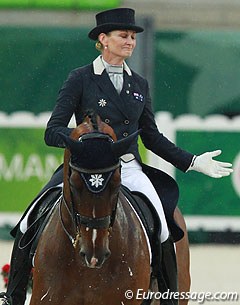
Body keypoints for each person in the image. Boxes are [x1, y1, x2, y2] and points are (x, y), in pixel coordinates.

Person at [0, 7, 233, 305]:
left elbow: (151, 137)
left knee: (162, 224)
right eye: (123, 36)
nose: (130, 42)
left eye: (133, 37)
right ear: (103, 39)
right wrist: (80, 143)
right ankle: (14, 296)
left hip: (126, 167)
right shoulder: (80, 78)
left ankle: (169, 298)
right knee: (28, 220)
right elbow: (52, 130)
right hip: (83, 167)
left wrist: (192, 161)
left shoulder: (138, 84)